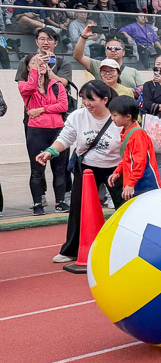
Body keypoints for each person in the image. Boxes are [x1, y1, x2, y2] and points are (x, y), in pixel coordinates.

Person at [40, 81, 123, 262]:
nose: (86, 103)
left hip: (116, 169)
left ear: (105, 99)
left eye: (91, 99)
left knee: (123, 209)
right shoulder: (78, 116)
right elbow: (65, 138)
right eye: (83, 98)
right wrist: (50, 151)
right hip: (87, 169)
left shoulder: (118, 116)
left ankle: (125, 247)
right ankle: (71, 249)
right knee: (78, 209)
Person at [20, 51, 70, 214]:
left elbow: (63, 106)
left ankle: (60, 202)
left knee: (59, 168)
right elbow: (31, 86)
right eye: (34, 63)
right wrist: (35, 69)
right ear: (28, 68)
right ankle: (37, 203)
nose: (39, 65)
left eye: (42, 62)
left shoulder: (57, 85)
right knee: (37, 169)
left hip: (57, 131)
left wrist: (41, 109)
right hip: (37, 132)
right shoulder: (24, 86)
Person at [106, 95, 160, 200]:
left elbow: (139, 162)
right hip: (135, 182)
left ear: (128, 116)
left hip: (144, 184)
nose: (112, 119)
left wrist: (130, 184)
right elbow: (127, 158)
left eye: (115, 115)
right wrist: (118, 172)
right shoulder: (127, 132)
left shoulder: (137, 135)